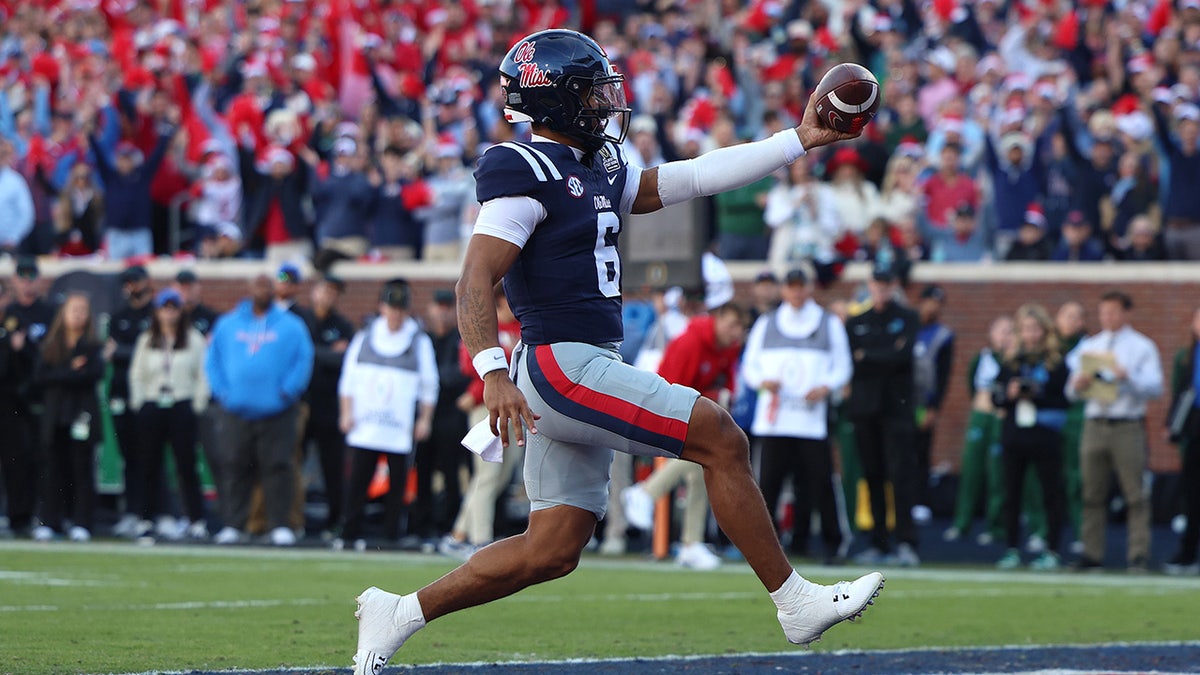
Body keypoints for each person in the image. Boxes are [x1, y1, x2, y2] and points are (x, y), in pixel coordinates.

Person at [351, 29, 884, 675]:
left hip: (581, 361)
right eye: (590, 91)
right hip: (559, 363)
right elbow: (474, 278)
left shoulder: (592, 166)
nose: (605, 102)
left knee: (551, 548)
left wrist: (796, 140)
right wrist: (490, 370)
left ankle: (397, 612)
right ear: (553, 101)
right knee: (718, 435)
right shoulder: (526, 169)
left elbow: (689, 178)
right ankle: (794, 600)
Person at [620, 301, 750, 570]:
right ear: (717, 319)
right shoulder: (690, 343)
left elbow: (725, 382)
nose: (735, 331)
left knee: (700, 470)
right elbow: (671, 388)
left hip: (694, 410)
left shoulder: (729, 347)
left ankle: (690, 543)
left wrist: (721, 398)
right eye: (731, 324)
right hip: (664, 407)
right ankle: (644, 493)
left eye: (739, 326)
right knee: (703, 457)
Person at [739, 268, 852, 564]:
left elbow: (843, 366)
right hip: (775, 421)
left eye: (801, 287)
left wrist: (826, 386)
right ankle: (765, 547)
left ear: (809, 288)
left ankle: (832, 543)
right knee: (768, 486)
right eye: (791, 287)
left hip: (810, 420)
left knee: (819, 483)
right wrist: (763, 381)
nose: (797, 293)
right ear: (784, 290)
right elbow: (750, 366)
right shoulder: (767, 323)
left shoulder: (828, 323)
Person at [205, 274, 313, 546]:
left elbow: (303, 358)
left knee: (279, 467)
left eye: (267, 287)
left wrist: (288, 391)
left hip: (278, 410)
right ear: (250, 289)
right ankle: (233, 524)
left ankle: (280, 525)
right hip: (235, 409)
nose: (263, 291)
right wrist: (223, 393)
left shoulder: (291, 326)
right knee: (234, 468)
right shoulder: (228, 324)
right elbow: (212, 361)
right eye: (259, 286)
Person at [335, 279, 438, 551]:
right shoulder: (365, 337)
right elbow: (348, 380)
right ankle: (349, 532)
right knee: (358, 479)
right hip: (365, 423)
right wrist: (346, 413)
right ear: (382, 307)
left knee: (399, 482)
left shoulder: (419, 341)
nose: (395, 315)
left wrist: (424, 419)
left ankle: (393, 535)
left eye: (400, 310)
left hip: (399, 426)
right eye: (391, 308)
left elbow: (429, 384)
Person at [1066, 291, 1164, 572]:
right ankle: (1091, 553)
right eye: (1103, 312)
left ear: (1126, 313)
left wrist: (1127, 377)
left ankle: (1138, 555)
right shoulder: (1090, 346)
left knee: (1135, 494)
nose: (1107, 317)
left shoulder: (1142, 346)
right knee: (1091, 492)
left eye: (1113, 312)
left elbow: (1156, 388)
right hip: (1095, 422)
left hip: (1126, 424)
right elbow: (1069, 392)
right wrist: (1079, 384)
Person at [439, 287, 524, 560]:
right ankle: (481, 541)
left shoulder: (523, 328)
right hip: (487, 409)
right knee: (487, 474)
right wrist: (478, 390)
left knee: (500, 477)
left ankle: (457, 535)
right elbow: (471, 364)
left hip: (515, 409)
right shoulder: (487, 326)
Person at [845, 264, 921, 566]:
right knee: (873, 474)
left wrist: (870, 356)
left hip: (896, 407)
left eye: (886, 283)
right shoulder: (856, 321)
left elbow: (902, 356)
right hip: (865, 408)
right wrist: (885, 355)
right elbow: (855, 359)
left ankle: (906, 540)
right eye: (877, 283)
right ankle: (878, 541)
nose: (881, 288)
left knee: (900, 474)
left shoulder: (907, 317)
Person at [992, 304, 1071, 571]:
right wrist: (1011, 393)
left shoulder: (1056, 362)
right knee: (1011, 493)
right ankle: (1011, 548)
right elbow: (996, 397)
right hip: (1015, 435)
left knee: (1051, 493)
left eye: (1035, 329)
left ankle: (1052, 549)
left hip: (1045, 435)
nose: (1031, 334)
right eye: (1026, 329)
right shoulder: (1011, 361)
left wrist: (1037, 393)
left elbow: (1064, 399)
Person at [127, 288, 210, 541]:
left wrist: (196, 404)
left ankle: (195, 519)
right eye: (165, 308)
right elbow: (137, 374)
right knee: (149, 464)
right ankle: (146, 517)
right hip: (153, 403)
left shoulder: (193, 338)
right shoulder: (147, 338)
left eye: (174, 308)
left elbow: (202, 374)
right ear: (158, 311)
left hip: (181, 403)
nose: (169, 313)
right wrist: (140, 402)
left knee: (186, 465)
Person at [32, 293, 105, 541]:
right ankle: (50, 520)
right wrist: (69, 370)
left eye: (83, 310)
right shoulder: (51, 345)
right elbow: (40, 377)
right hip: (56, 417)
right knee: (52, 469)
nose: (78, 315)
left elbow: (94, 374)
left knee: (81, 469)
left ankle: (81, 521)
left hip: (81, 414)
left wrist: (64, 374)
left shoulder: (93, 346)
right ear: (63, 313)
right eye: (74, 309)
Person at [407, 289, 471, 546]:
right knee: (421, 471)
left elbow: (461, 372)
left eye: (448, 307)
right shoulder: (423, 339)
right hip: (425, 415)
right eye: (439, 306)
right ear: (431, 309)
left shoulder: (460, 339)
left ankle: (448, 523)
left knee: (451, 472)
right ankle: (421, 525)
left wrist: (434, 381)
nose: (443, 312)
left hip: (451, 414)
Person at [944, 314, 1014, 545]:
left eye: (1009, 331)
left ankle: (995, 526)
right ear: (991, 334)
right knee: (971, 471)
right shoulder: (982, 358)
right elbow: (972, 386)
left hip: (999, 419)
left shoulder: (1013, 361)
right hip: (980, 418)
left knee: (997, 475)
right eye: (1000, 330)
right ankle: (962, 522)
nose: (1004, 336)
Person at [301, 275, 356, 538]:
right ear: (314, 291)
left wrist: (314, 352)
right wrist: (326, 352)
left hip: (330, 406)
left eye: (335, 292)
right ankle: (292, 521)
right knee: (291, 464)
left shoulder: (343, 325)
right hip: (300, 402)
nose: (329, 296)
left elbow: (345, 359)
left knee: (333, 467)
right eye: (325, 290)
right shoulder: (299, 319)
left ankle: (335, 521)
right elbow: (300, 354)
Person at [108, 265, 156, 538]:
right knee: (129, 456)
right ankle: (132, 512)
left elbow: (148, 355)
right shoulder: (119, 317)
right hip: (121, 392)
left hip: (149, 394)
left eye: (135, 281)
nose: (131, 287)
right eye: (127, 282)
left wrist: (124, 352)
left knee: (151, 456)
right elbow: (111, 353)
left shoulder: (154, 316)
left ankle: (153, 513)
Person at [912, 284, 955, 523]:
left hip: (924, 402)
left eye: (938, 303)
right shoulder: (909, 327)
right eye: (931, 301)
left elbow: (944, 374)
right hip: (903, 401)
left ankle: (919, 500)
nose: (934, 307)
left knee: (921, 451)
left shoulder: (943, 335)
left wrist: (934, 407)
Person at [1165, 307, 1200, 575]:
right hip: (1194, 429)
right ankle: (1188, 553)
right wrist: (1172, 425)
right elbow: (1180, 392)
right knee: (1192, 494)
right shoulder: (1187, 356)